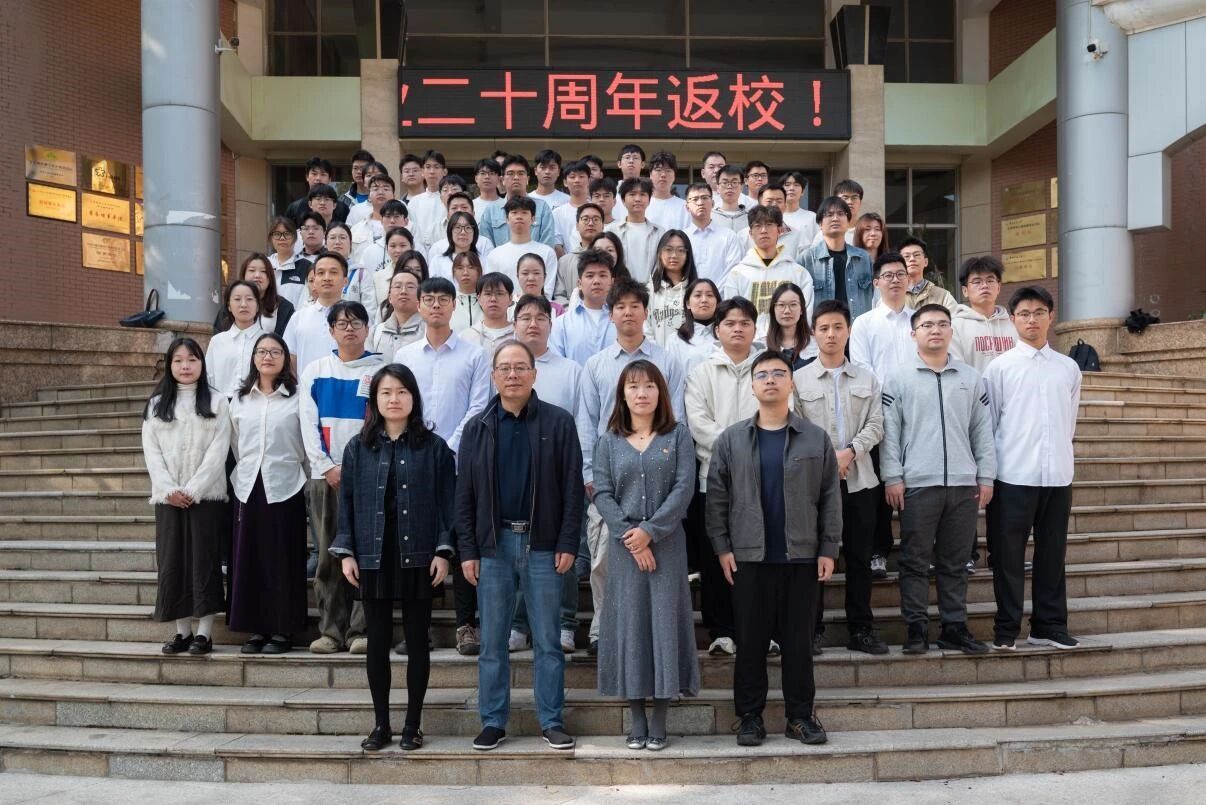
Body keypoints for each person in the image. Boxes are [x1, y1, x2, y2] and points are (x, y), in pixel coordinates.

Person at [706, 350, 840, 747]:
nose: (770, 380)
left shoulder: (815, 438)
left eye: (779, 373)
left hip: (801, 557)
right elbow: (717, 498)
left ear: (791, 382)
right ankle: (750, 717)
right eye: (762, 374)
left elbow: (830, 497)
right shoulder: (732, 440)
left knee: (799, 644)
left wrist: (828, 548)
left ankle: (801, 717)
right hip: (749, 557)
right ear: (751, 385)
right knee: (749, 643)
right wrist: (722, 548)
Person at [456, 341, 584, 752]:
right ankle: (493, 721)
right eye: (504, 368)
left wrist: (568, 541)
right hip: (493, 547)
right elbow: (464, 496)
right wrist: (468, 550)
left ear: (534, 373)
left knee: (548, 640)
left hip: (543, 544)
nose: (512, 375)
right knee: (492, 641)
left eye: (520, 367)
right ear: (494, 375)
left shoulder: (558, 422)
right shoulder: (477, 428)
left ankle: (552, 720)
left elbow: (572, 488)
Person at [332, 364, 456, 752]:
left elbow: (447, 505)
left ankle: (412, 726)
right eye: (386, 393)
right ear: (375, 400)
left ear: (414, 398)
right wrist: (346, 552)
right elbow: (346, 504)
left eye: (402, 392)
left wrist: (443, 551)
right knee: (377, 641)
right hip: (373, 554)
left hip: (418, 554)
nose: (394, 399)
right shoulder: (358, 448)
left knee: (418, 641)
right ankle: (381, 724)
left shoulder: (434, 448)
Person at [594, 360, 699, 751]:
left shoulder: (678, 435)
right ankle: (636, 717)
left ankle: (660, 719)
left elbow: (684, 489)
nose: (642, 393)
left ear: (661, 393)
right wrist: (631, 537)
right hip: (624, 547)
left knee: (664, 624)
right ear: (622, 394)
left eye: (650, 386)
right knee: (631, 626)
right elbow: (602, 492)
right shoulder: (609, 441)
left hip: (667, 545)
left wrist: (650, 533)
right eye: (634, 386)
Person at [578, 278, 686, 653]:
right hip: (610, 479)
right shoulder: (595, 365)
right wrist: (590, 476)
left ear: (646, 312)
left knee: (656, 560)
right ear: (611, 315)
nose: (627, 312)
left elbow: (676, 419)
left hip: (658, 475)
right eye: (620, 306)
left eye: (634, 306)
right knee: (604, 559)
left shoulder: (666, 361)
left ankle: (649, 635)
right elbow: (587, 423)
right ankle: (603, 630)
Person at [881, 304, 997, 656]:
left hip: (963, 484)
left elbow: (983, 432)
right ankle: (916, 629)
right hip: (917, 483)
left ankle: (954, 627)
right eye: (927, 324)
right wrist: (892, 476)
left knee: (955, 562)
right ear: (913, 333)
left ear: (951, 331)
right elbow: (890, 434)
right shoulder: (898, 378)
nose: (935, 330)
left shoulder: (971, 378)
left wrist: (986, 475)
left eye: (942, 324)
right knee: (914, 560)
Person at [396, 277, 493, 656]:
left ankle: (467, 625)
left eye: (443, 299)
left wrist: (446, 448)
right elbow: (400, 403)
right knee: (417, 541)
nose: (436, 305)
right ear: (419, 305)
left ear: (455, 305)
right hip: (414, 461)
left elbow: (479, 406)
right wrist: (422, 448)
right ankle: (416, 627)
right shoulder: (405, 356)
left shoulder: (475, 355)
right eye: (429, 299)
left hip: (460, 463)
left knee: (463, 540)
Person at [984, 286, 1082, 651]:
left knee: (1052, 554)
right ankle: (1006, 628)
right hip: (1012, 475)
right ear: (1012, 319)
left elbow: (1069, 422)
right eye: (1024, 314)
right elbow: (990, 425)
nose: (1032, 320)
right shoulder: (1000, 368)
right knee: (1007, 557)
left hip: (1057, 475)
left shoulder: (1068, 368)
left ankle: (1049, 625)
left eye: (1039, 312)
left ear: (1051, 317)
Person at [794, 300, 889, 656]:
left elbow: (877, 424)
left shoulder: (867, 378)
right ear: (813, 333)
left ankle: (860, 629)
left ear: (848, 330)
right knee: (814, 557)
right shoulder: (798, 379)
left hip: (860, 480)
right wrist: (828, 459)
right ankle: (812, 629)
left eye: (838, 327)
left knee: (860, 558)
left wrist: (850, 452)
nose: (831, 334)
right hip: (815, 486)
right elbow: (795, 427)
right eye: (824, 328)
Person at [298, 301, 384, 655]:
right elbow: (308, 421)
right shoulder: (315, 370)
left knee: (368, 552)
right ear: (331, 331)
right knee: (328, 555)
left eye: (356, 322)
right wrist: (326, 466)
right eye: (342, 323)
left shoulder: (382, 370)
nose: (349, 329)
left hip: (370, 476)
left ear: (367, 329)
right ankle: (331, 631)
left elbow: (386, 420)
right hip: (325, 476)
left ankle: (361, 630)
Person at [142, 338, 230, 656]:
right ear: (169, 365)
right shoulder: (156, 405)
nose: (185, 366)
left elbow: (219, 450)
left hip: (206, 498)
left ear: (202, 364)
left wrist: (193, 490)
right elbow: (151, 452)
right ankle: (182, 632)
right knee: (173, 564)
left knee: (204, 563)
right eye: (178, 360)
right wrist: (169, 490)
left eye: (192, 360)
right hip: (169, 500)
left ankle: (204, 634)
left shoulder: (218, 402)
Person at [683, 297, 760, 657]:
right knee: (716, 557)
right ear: (717, 330)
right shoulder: (701, 373)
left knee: (757, 557)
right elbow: (698, 424)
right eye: (730, 323)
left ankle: (759, 628)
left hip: (761, 480)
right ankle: (722, 630)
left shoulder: (768, 368)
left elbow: (779, 414)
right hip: (712, 479)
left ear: (755, 329)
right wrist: (739, 448)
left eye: (745, 323)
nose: (738, 329)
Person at [508, 295, 584, 654]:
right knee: (518, 553)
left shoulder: (570, 370)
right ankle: (518, 624)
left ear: (551, 325)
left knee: (562, 551)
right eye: (525, 317)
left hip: (558, 474)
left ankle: (565, 623)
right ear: (514, 325)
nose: (533, 323)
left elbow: (581, 422)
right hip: (515, 475)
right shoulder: (505, 367)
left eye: (540, 317)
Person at [227, 333, 308, 655]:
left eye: (275, 351)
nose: (268, 357)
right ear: (253, 358)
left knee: (283, 558)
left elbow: (305, 441)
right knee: (251, 557)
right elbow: (235, 442)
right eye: (262, 351)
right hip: (248, 485)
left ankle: (282, 629)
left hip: (286, 484)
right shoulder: (240, 399)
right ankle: (256, 628)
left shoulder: (297, 397)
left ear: (285, 358)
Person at [849, 252, 916, 580]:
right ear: (876, 282)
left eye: (900, 274)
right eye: (888, 275)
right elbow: (863, 369)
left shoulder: (920, 320)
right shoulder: (864, 323)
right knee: (878, 489)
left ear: (909, 279)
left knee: (915, 486)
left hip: (917, 415)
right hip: (877, 414)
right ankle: (879, 551)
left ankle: (917, 551)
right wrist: (889, 399)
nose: (895, 280)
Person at [723, 205, 814, 338]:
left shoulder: (798, 273)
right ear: (750, 233)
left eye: (769, 224)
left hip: (788, 342)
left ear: (780, 230)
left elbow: (806, 314)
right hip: (750, 343)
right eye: (758, 225)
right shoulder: (738, 274)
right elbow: (731, 315)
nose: (764, 230)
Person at [800, 196, 874, 318]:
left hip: (857, 327)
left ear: (848, 222)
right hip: (821, 327)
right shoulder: (806, 259)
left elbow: (874, 297)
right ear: (820, 224)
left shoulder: (863, 258)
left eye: (840, 214)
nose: (835, 218)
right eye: (829, 214)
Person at [549, 248, 617, 365]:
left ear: (612, 282)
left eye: (602, 275)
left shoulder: (623, 320)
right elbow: (557, 365)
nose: (596, 281)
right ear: (579, 284)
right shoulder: (562, 324)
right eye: (590, 276)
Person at [950, 256, 1017, 373]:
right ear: (965, 291)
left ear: (998, 288)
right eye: (977, 281)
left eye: (990, 280)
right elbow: (956, 369)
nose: (984, 285)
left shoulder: (1014, 324)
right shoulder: (955, 327)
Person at [282, 253, 346, 373]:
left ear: (345, 281)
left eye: (333, 272)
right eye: (321, 273)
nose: (327, 278)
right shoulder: (298, 318)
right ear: (314, 281)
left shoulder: (356, 317)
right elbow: (290, 360)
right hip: (305, 385)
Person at [485, 195, 558, 297]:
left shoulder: (547, 252)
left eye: (524, 212)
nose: (519, 216)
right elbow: (491, 289)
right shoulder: (494, 255)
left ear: (533, 219)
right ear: (507, 219)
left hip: (538, 305)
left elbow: (547, 291)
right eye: (514, 212)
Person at [479, 155, 556, 248]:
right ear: (502, 180)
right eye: (510, 173)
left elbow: (547, 245)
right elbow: (486, 246)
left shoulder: (542, 208)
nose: (516, 177)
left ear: (527, 179)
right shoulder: (491, 211)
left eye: (521, 173)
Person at [206, 281, 265, 399]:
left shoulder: (268, 340)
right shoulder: (217, 341)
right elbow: (208, 377)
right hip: (222, 404)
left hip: (257, 403)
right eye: (237, 299)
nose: (243, 304)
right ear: (229, 306)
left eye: (249, 299)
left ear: (258, 305)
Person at [218, 253, 294, 337]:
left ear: (270, 277)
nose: (257, 275)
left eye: (263, 271)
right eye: (252, 270)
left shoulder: (285, 308)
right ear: (243, 275)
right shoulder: (232, 304)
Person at [685, 181, 745, 288]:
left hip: (721, 296)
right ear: (687, 207)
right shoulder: (682, 238)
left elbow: (733, 270)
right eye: (695, 199)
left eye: (704, 198)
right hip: (688, 295)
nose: (700, 202)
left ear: (713, 203)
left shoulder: (729, 236)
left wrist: (713, 293)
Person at [646, 230, 698, 347]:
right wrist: (656, 353)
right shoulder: (649, 291)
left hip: (689, 355)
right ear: (659, 253)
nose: (674, 255)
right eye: (668, 249)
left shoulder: (697, 291)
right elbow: (644, 327)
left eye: (681, 250)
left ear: (688, 255)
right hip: (656, 355)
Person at [606, 178, 663, 283]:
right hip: (620, 289)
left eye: (642, 194)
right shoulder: (611, 231)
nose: (637, 199)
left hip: (652, 289)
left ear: (649, 200)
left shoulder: (660, 232)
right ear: (623, 200)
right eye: (632, 194)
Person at [553, 203, 605, 304]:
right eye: (585, 219)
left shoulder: (611, 256)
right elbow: (559, 295)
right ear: (577, 225)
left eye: (596, 219)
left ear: (603, 225)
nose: (590, 223)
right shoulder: (565, 261)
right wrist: (572, 310)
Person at [327, 222, 377, 326]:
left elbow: (370, 311)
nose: (337, 242)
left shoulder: (361, 273)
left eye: (342, 237)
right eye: (332, 238)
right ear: (325, 243)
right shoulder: (317, 271)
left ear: (350, 243)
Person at [666, 278, 720, 375]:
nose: (704, 300)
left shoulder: (727, 336)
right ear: (688, 304)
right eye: (698, 295)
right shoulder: (676, 340)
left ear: (717, 302)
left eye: (709, 295)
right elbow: (671, 377)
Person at [369, 269, 425, 361]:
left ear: (420, 297)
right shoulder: (376, 332)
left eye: (410, 287)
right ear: (390, 298)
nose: (403, 291)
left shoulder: (429, 330)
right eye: (398, 286)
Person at [461, 272, 516, 359]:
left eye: (499, 293)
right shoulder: (465, 337)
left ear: (510, 299)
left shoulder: (519, 334)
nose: (493, 299)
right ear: (479, 299)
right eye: (488, 294)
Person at [764, 282, 816, 370]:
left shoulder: (815, 346)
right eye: (781, 305)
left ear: (801, 309)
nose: (787, 311)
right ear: (773, 310)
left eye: (793, 304)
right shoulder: (762, 346)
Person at [899, 237, 957, 313]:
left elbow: (956, 319)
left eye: (916, 255)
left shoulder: (943, 296)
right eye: (907, 256)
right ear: (899, 263)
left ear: (926, 262)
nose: (912, 259)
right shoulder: (891, 294)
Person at [285, 157, 349, 226]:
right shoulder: (295, 208)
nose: (318, 178)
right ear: (307, 177)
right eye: (314, 174)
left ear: (330, 179)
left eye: (323, 174)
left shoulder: (342, 209)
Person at [427, 210, 486, 281]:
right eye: (458, 227)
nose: (463, 232)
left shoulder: (483, 261)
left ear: (475, 232)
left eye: (468, 228)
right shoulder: (438, 261)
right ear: (450, 232)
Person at [350, 173, 396, 262]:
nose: (381, 192)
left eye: (386, 189)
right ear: (369, 197)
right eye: (375, 189)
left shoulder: (406, 226)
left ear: (394, 196)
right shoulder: (356, 229)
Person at [551, 159, 592, 254]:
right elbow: (557, 244)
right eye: (572, 177)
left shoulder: (597, 210)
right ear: (565, 182)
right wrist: (567, 261)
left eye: (581, 176)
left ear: (589, 180)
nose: (577, 180)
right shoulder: (557, 213)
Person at [645, 151, 691, 232]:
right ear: (650, 175)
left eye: (668, 170)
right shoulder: (642, 204)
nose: (663, 174)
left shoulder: (684, 207)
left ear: (674, 176)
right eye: (658, 170)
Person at [810, 179, 863, 246]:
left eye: (854, 198)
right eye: (845, 198)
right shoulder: (824, 234)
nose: (850, 202)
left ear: (861, 202)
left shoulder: (866, 232)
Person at [268, 217, 307, 308]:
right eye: (277, 234)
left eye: (287, 234)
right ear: (271, 238)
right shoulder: (265, 264)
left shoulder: (306, 266)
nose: (282, 238)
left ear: (295, 238)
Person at [449, 251, 486, 332]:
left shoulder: (487, 299)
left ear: (479, 271)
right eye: (460, 268)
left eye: (471, 267)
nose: (465, 273)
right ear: (454, 272)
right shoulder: (448, 301)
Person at [780, 171, 820, 244]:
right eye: (787, 185)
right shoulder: (774, 217)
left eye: (796, 185)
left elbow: (818, 243)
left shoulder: (812, 217)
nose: (791, 188)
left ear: (803, 192)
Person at [712, 164, 750, 232]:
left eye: (734, 182)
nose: (729, 187)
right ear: (718, 187)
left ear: (742, 187)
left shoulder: (751, 217)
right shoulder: (709, 218)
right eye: (725, 182)